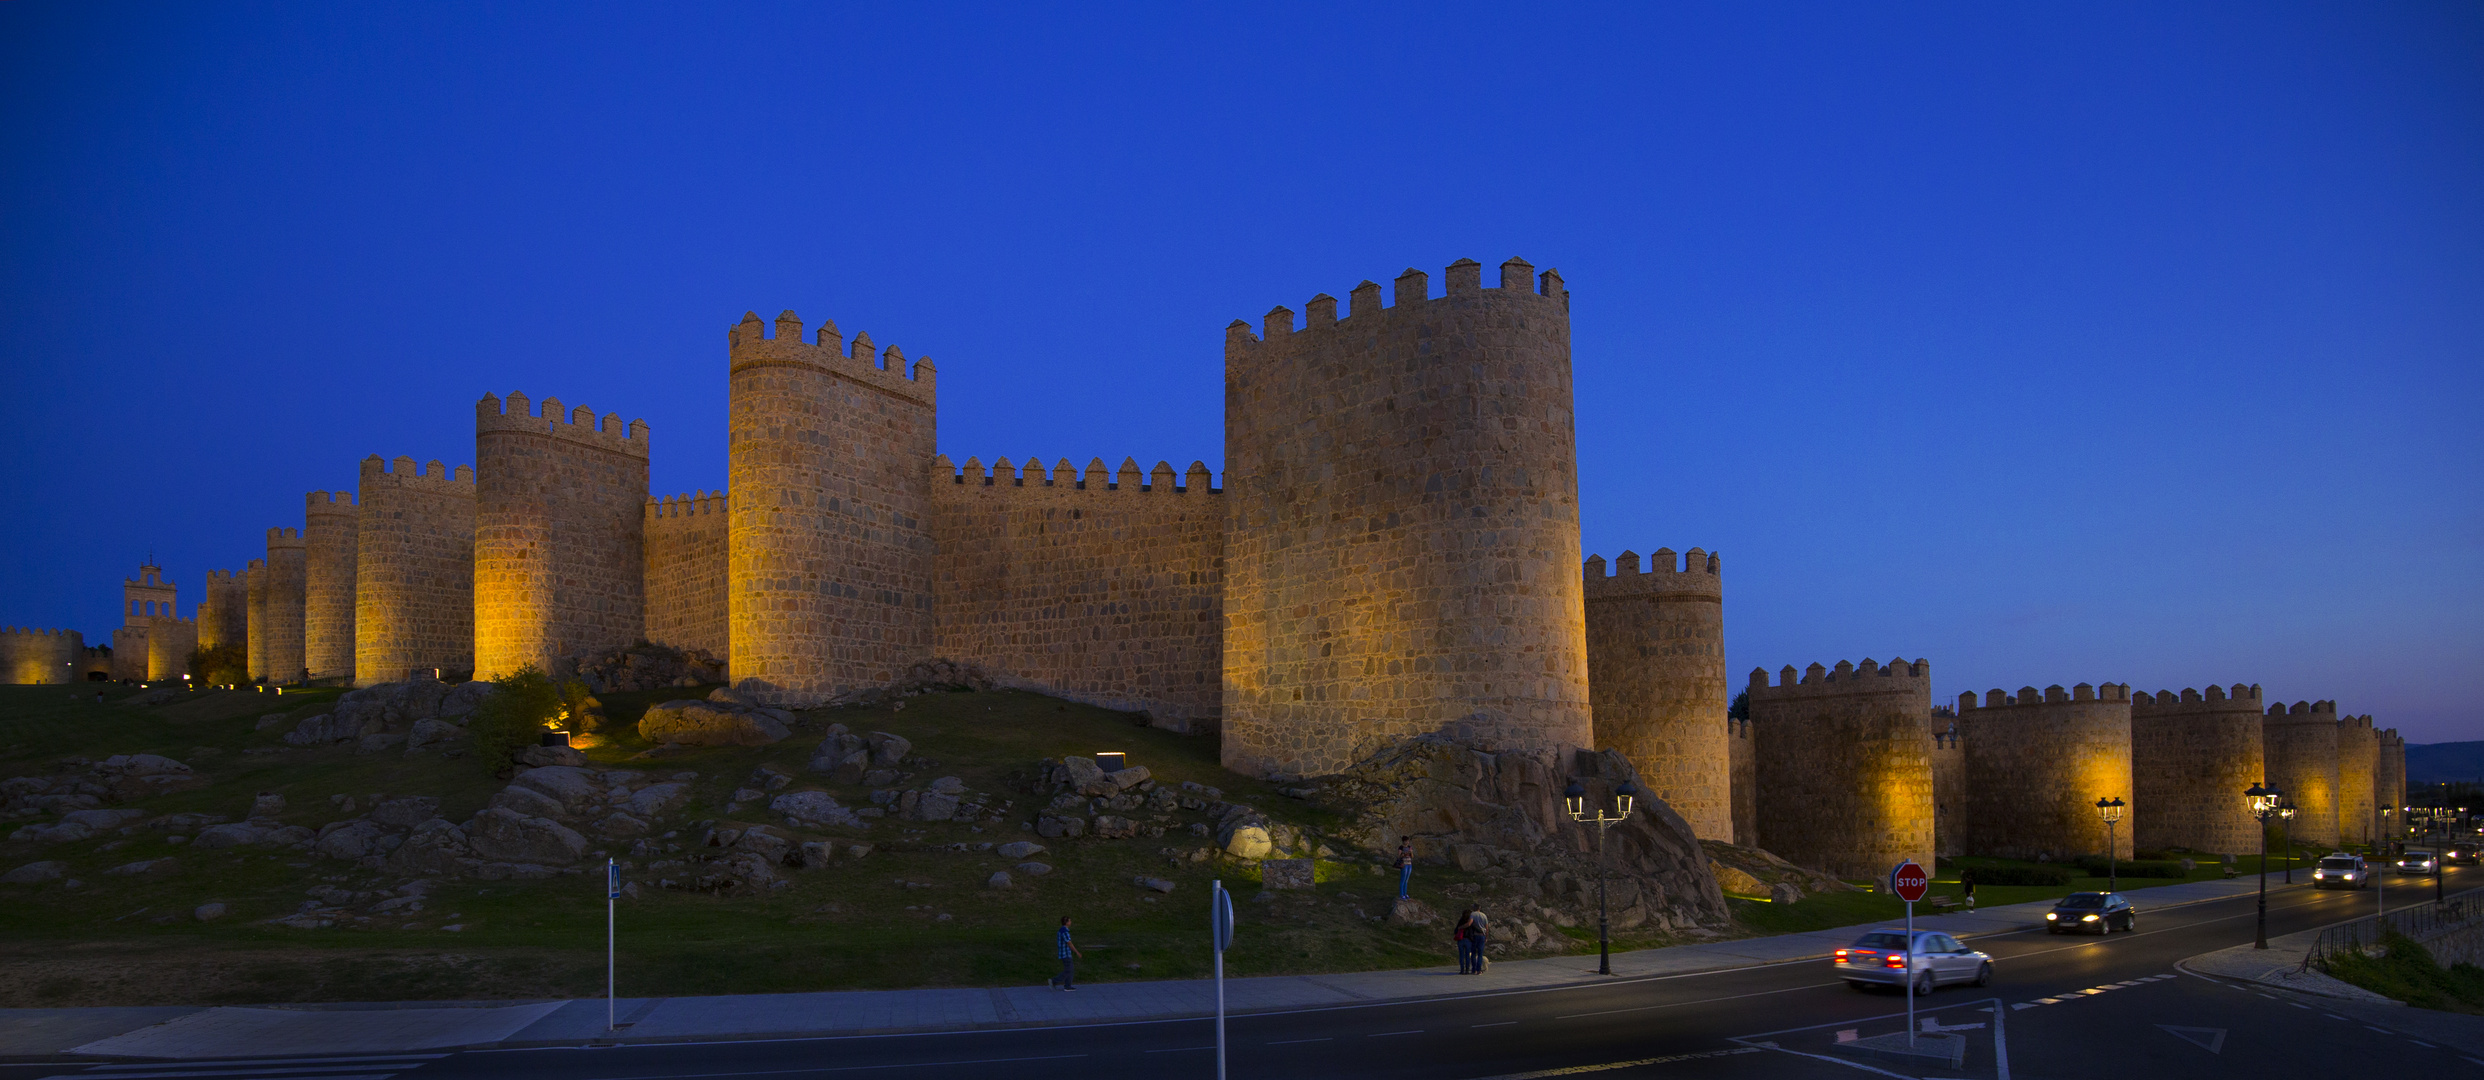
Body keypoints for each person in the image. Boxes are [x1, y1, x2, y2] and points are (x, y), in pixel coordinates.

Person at [1049, 915, 1082, 991]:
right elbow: (1069, 943)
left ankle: (1068, 985)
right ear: (1066, 922)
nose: (1071, 922)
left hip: (1064, 953)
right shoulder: (1064, 931)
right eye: (1069, 921)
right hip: (1065, 954)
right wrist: (1077, 952)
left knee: (1070, 969)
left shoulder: (1061, 930)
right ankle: (1054, 981)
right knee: (1068, 970)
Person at [1452, 906, 1478, 974]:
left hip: (1460, 939)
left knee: (1461, 955)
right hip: (1468, 939)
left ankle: (1462, 970)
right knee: (1467, 955)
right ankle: (1467, 969)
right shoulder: (1471, 921)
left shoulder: (1461, 921)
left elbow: (1456, 930)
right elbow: (1476, 928)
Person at [1467, 905, 1490, 973]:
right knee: (1480, 953)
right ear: (1480, 908)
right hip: (1482, 935)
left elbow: (1469, 923)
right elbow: (1487, 928)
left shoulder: (1473, 914)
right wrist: (1486, 937)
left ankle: (1474, 969)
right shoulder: (1484, 915)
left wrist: (1461, 927)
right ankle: (1478, 969)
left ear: (1474, 908)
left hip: (1475, 935)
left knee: (1473, 953)